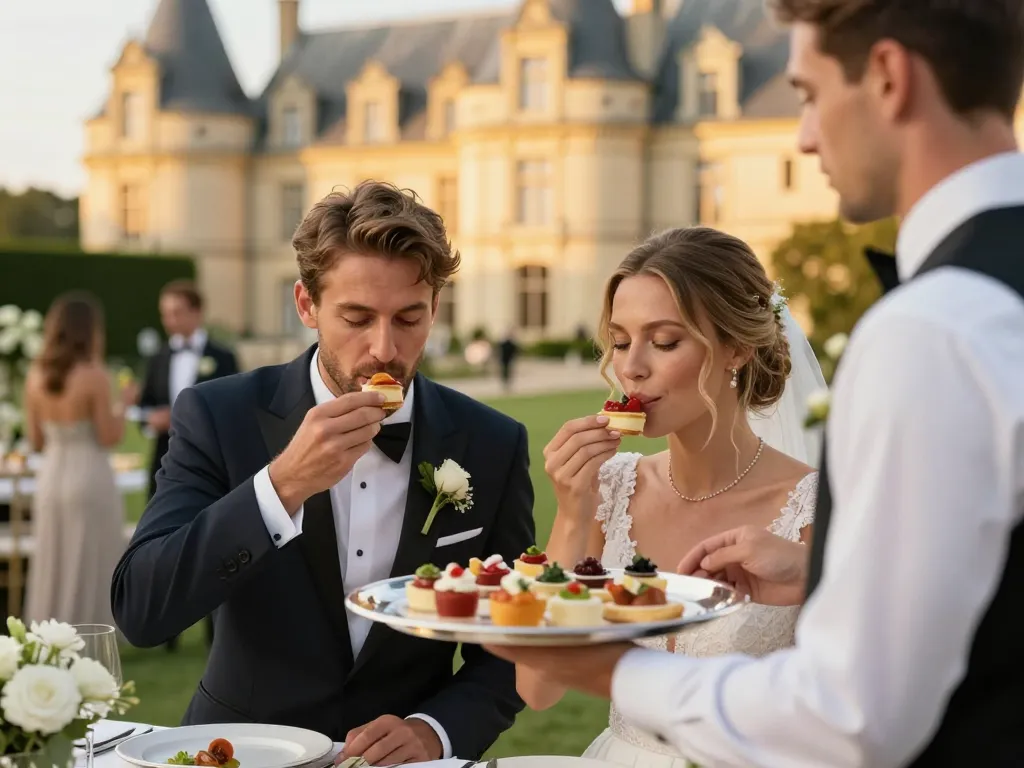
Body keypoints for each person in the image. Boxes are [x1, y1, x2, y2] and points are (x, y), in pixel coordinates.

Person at [486, 1, 1024, 765]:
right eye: (618, 342)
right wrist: (819, 571)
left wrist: (618, 668)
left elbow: (856, 714)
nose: (803, 135)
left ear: (887, 77)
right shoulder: (971, 304)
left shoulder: (933, 327)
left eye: (806, 93)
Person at [111, 181, 535, 765]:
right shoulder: (218, 415)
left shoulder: (493, 442)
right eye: (357, 317)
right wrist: (281, 486)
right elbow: (142, 610)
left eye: (409, 317)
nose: (385, 348)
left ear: (435, 307)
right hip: (240, 753)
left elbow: (515, 642)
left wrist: (435, 730)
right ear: (306, 305)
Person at [512, 226, 826, 766]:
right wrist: (571, 511)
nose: (631, 366)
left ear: (736, 348)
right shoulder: (612, 487)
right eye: (619, 340)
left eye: (663, 342)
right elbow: (537, 688)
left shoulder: (812, 506)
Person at [21, 292, 137, 626]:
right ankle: (87, 628)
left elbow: (36, 440)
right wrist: (124, 404)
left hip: (52, 475)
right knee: (88, 556)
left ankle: (49, 629)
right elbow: (109, 436)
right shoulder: (94, 375)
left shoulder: (35, 376)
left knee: (54, 556)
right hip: (88, 473)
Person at [137, 279, 238, 651]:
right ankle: (167, 634)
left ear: (197, 312)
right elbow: (143, 409)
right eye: (165, 314)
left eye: (177, 312)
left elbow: (235, 411)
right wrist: (151, 418)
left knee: (216, 544)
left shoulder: (222, 356)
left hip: (214, 465)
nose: (170, 321)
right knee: (163, 546)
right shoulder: (159, 357)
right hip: (164, 463)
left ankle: (218, 634)